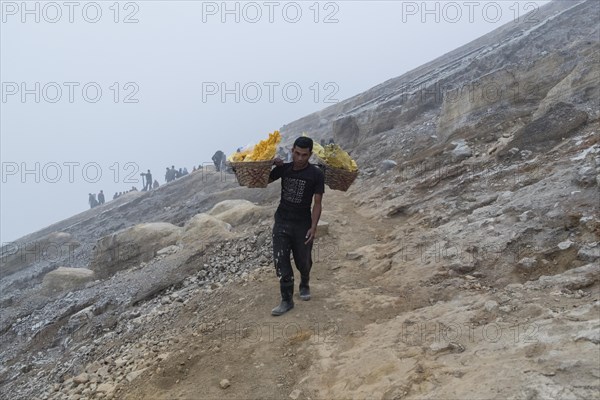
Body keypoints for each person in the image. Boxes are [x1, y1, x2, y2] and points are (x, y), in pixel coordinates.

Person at [267, 136, 324, 316]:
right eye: (297, 153)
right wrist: (270, 163)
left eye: (304, 155)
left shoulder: (316, 174)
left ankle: (305, 282)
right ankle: (287, 300)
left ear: (310, 154)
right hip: (282, 221)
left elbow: (317, 203)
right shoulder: (284, 169)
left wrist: (313, 227)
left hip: (302, 223)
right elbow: (261, 180)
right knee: (280, 259)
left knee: (303, 261)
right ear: (292, 150)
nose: (300, 158)